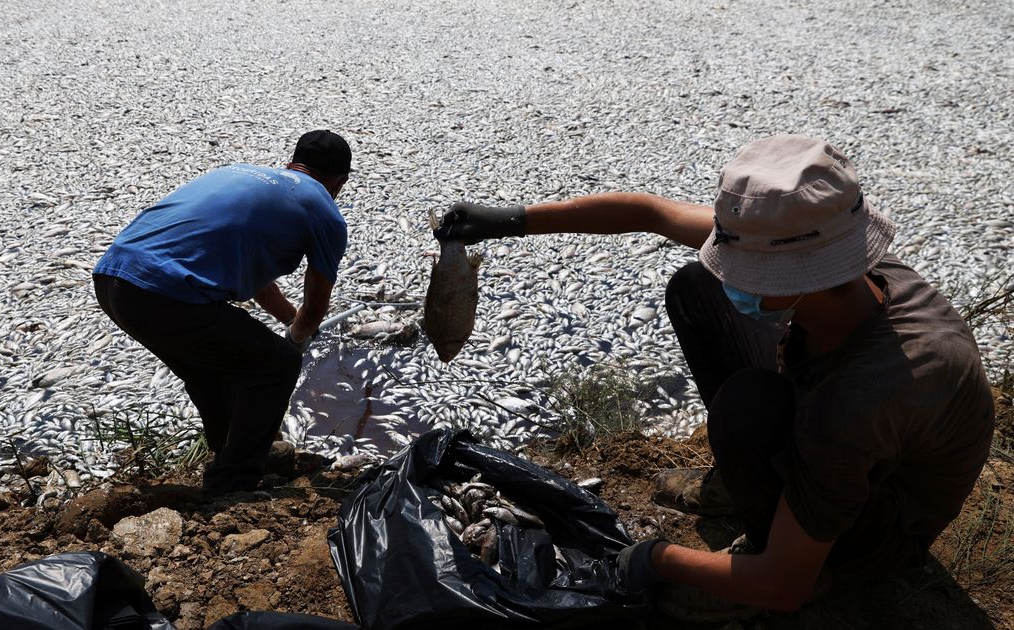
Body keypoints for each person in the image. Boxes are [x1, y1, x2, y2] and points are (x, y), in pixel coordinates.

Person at [434, 134, 994, 619]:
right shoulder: (841, 266)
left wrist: (655, 559)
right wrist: (508, 221)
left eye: (749, 273)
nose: (736, 277)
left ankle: (790, 543)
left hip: (880, 531)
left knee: (746, 408)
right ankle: (754, 481)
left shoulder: (857, 402)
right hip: (854, 443)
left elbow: (785, 586)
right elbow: (648, 213)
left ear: (798, 275)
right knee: (697, 286)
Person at [92, 130, 351, 496]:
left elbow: (260, 283)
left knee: (209, 371)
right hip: (165, 295)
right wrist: (295, 339)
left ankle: (229, 455)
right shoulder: (324, 209)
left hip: (113, 280)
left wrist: (285, 318)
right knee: (275, 365)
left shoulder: (241, 173)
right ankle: (234, 485)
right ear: (341, 180)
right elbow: (316, 308)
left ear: (292, 161)